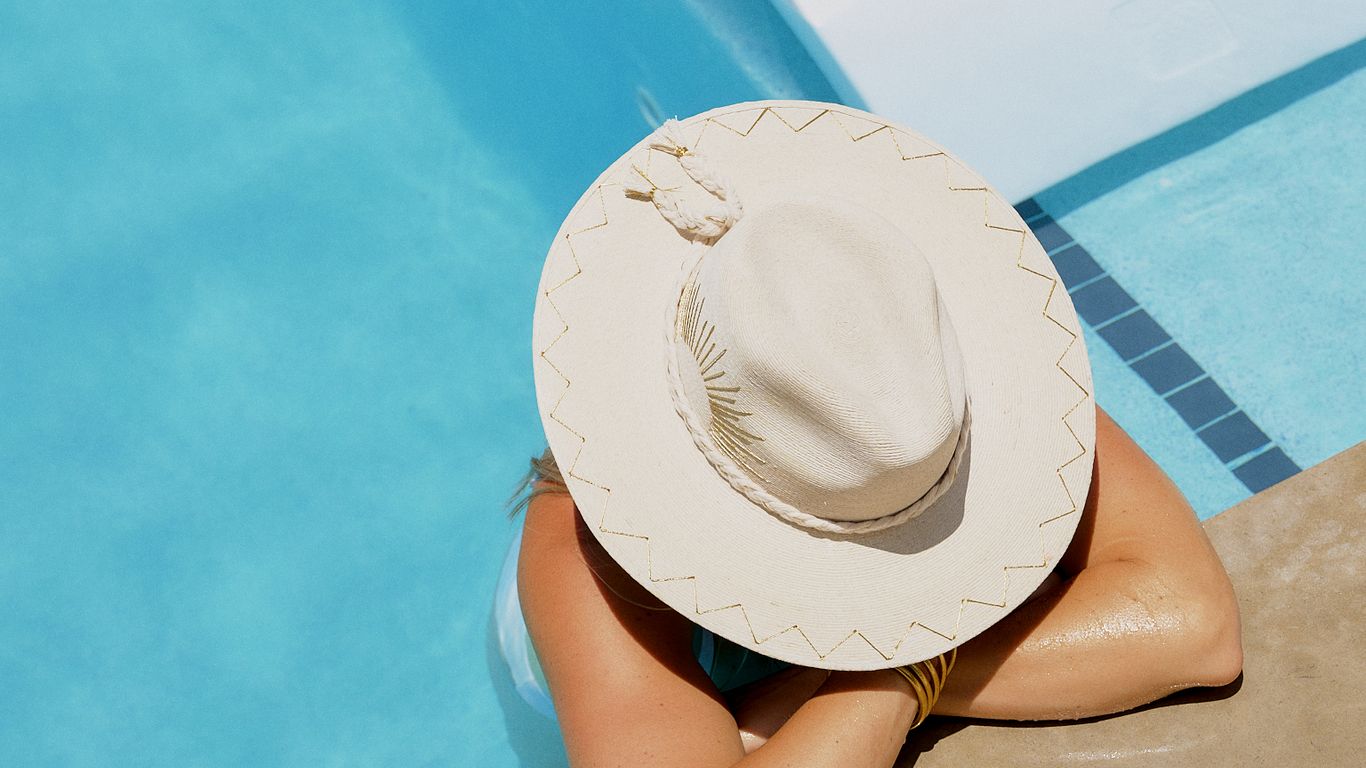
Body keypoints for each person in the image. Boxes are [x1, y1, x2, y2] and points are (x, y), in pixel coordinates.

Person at [513, 103, 1243, 767]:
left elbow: (1191, 622)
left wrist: (883, 671)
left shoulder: (905, 365)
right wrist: (910, 655)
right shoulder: (588, 540)